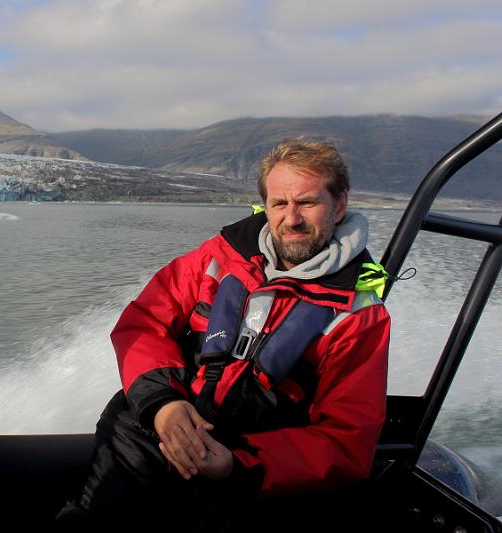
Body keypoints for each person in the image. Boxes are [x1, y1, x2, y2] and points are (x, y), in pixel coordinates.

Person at [56, 139, 391, 529]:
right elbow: (145, 320)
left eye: (307, 203)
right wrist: (162, 404)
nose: (292, 218)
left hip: (244, 468)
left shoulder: (359, 315)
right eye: (280, 204)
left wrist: (240, 465)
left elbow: (346, 440)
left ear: (340, 204)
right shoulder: (217, 256)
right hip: (154, 429)